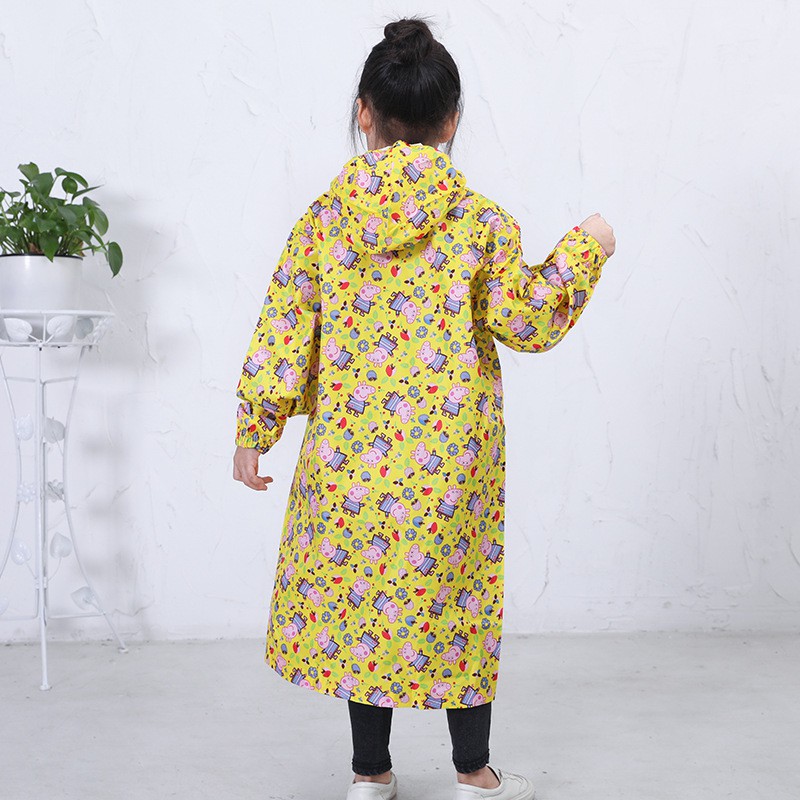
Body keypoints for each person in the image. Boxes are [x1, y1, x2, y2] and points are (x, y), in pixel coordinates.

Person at [232, 16, 615, 800]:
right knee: (458, 599)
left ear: (364, 113)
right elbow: (528, 320)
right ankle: (474, 773)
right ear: (452, 122)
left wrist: (255, 430)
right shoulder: (479, 223)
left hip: (350, 465)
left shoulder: (324, 221)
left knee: (363, 598)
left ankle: (370, 773)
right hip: (450, 467)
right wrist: (588, 247)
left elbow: (283, 326)